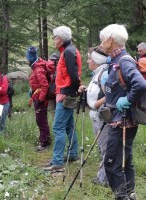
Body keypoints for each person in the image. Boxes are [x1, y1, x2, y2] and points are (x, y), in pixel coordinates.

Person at [99, 24, 146, 200]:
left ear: (111, 40)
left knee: (112, 163)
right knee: (125, 160)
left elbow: (141, 84)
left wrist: (127, 99)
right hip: (121, 119)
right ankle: (130, 194)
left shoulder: (123, 60)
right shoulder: (115, 60)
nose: (101, 43)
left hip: (122, 121)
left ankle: (122, 197)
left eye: (102, 39)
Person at [44, 25, 82, 171]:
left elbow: (73, 75)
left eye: (54, 38)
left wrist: (68, 92)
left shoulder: (68, 52)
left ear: (59, 38)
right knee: (69, 126)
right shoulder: (69, 50)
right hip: (67, 93)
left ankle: (57, 162)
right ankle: (72, 154)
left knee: (58, 127)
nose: (53, 40)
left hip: (65, 94)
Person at [78, 47, 110, 187]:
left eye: (90, 58)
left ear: (97, 60)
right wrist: (86, 90)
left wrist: (95, 104)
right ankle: (105, 176)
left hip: (102, 116)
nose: (87, 61)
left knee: (105, 148)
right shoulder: (98, 73)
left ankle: (104, 179)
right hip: (97, 116)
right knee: (102, 146)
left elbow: (110, 95)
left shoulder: (104, 74)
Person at [26, 46, 52, 152]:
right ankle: (44, 140)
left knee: (41, 120)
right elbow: (36, 83)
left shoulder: (38, 69)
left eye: (27, 58)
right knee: (40, 120)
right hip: (36, 96)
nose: (27, 60)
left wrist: (41, 99)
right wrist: (32, 90)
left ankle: (45, 143)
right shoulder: (36, 67)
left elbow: (44, 85)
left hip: (40, 99)